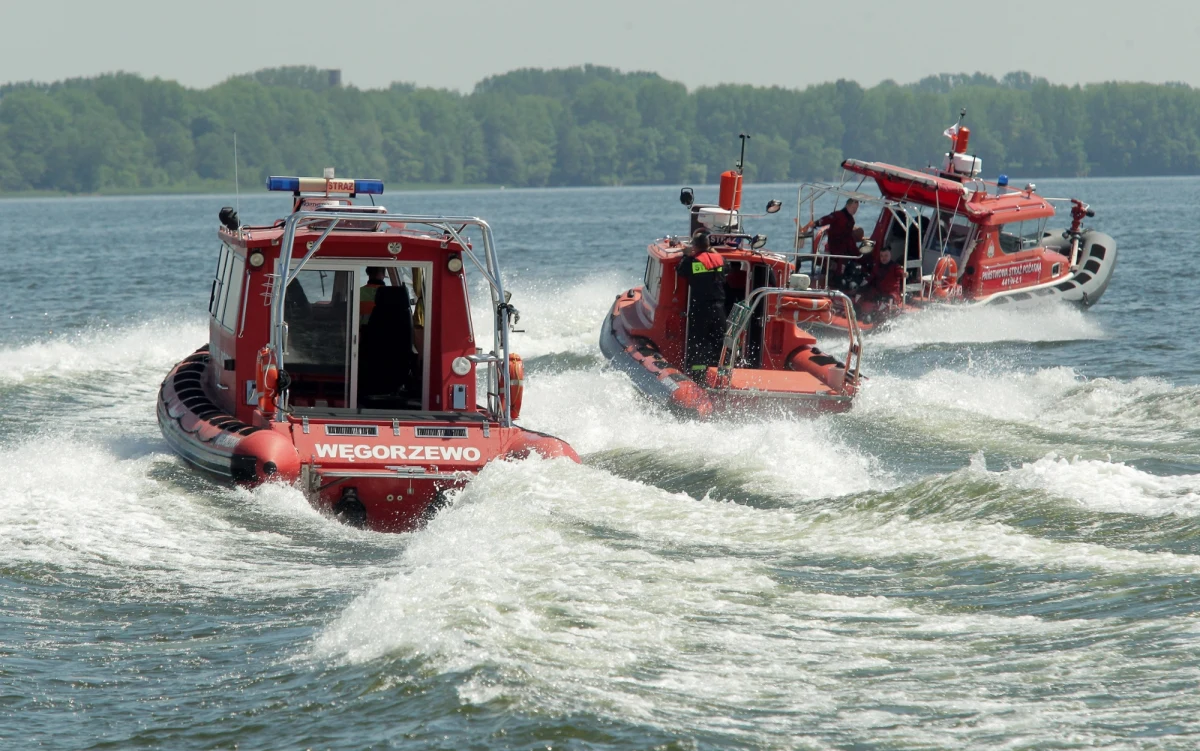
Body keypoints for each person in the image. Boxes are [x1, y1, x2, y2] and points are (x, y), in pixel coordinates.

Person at [676, 228, 727, 381]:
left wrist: (686, 254)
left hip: (700, 308)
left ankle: (698, 378)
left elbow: (680, 271)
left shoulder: (692, 261)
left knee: (698, 343)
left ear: (695, 246)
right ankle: (722, 377)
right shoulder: (720, 260)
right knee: (719, 342)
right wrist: (712, 251)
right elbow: (728, 268)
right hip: (719, 309)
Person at [857, 247, 906, 321]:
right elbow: (871, 276)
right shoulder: (877, 266)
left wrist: (905, 274)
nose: (883, 258)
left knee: (888, 299)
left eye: (886, 256)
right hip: (880, 291)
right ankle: (859, 312)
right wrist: (862, 285)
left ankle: (878, 316)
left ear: (890, 256)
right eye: (882, 256)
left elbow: (901, 272)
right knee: (864, 292)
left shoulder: (895, 267)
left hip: (892, 294)